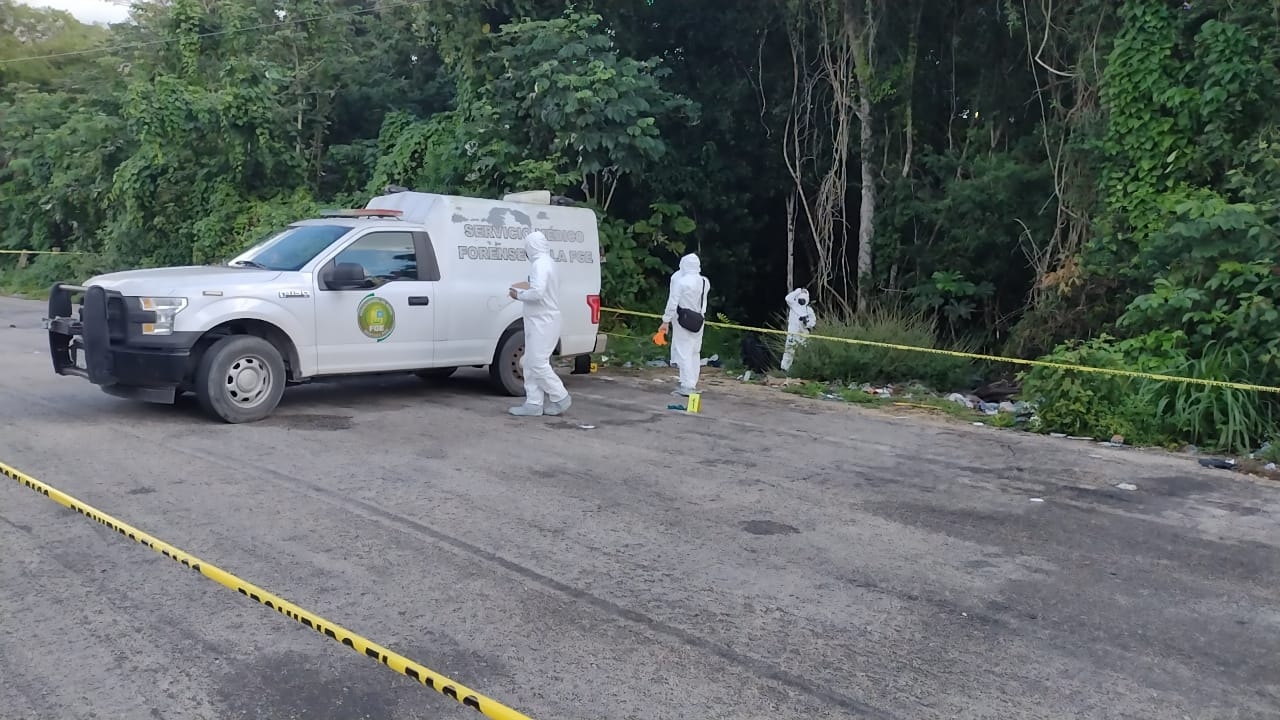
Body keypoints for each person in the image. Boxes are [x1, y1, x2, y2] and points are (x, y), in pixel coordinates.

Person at [507, 231, 571, 417]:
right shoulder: (548, 263)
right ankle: (533, 403)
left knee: (537, 363)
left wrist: (517, 295)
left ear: (531, 247)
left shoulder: (540, 264)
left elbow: (537, 293)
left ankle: (560, 396)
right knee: (529, 362)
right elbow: (537, 287)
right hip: (540, 320)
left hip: (543, 321)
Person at [658, 253, 710, 396]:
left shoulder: (681, 282)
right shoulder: (705, 281)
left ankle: (687, 386)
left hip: (683, 320)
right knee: (694, 352)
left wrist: (665, 321)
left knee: (683, 352)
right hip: (699, 320)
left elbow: (672, 303)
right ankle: (691, 382)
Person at [780, 287, 817, 372]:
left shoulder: (809, 310)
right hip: (792, 333)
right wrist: (798, 290)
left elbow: (813, 322)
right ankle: (784, 369)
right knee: (789, 351)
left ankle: (805, 370)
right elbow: (787, 298)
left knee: (806, 351)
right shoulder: (793, 305)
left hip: (803, 334)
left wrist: (806, 323)